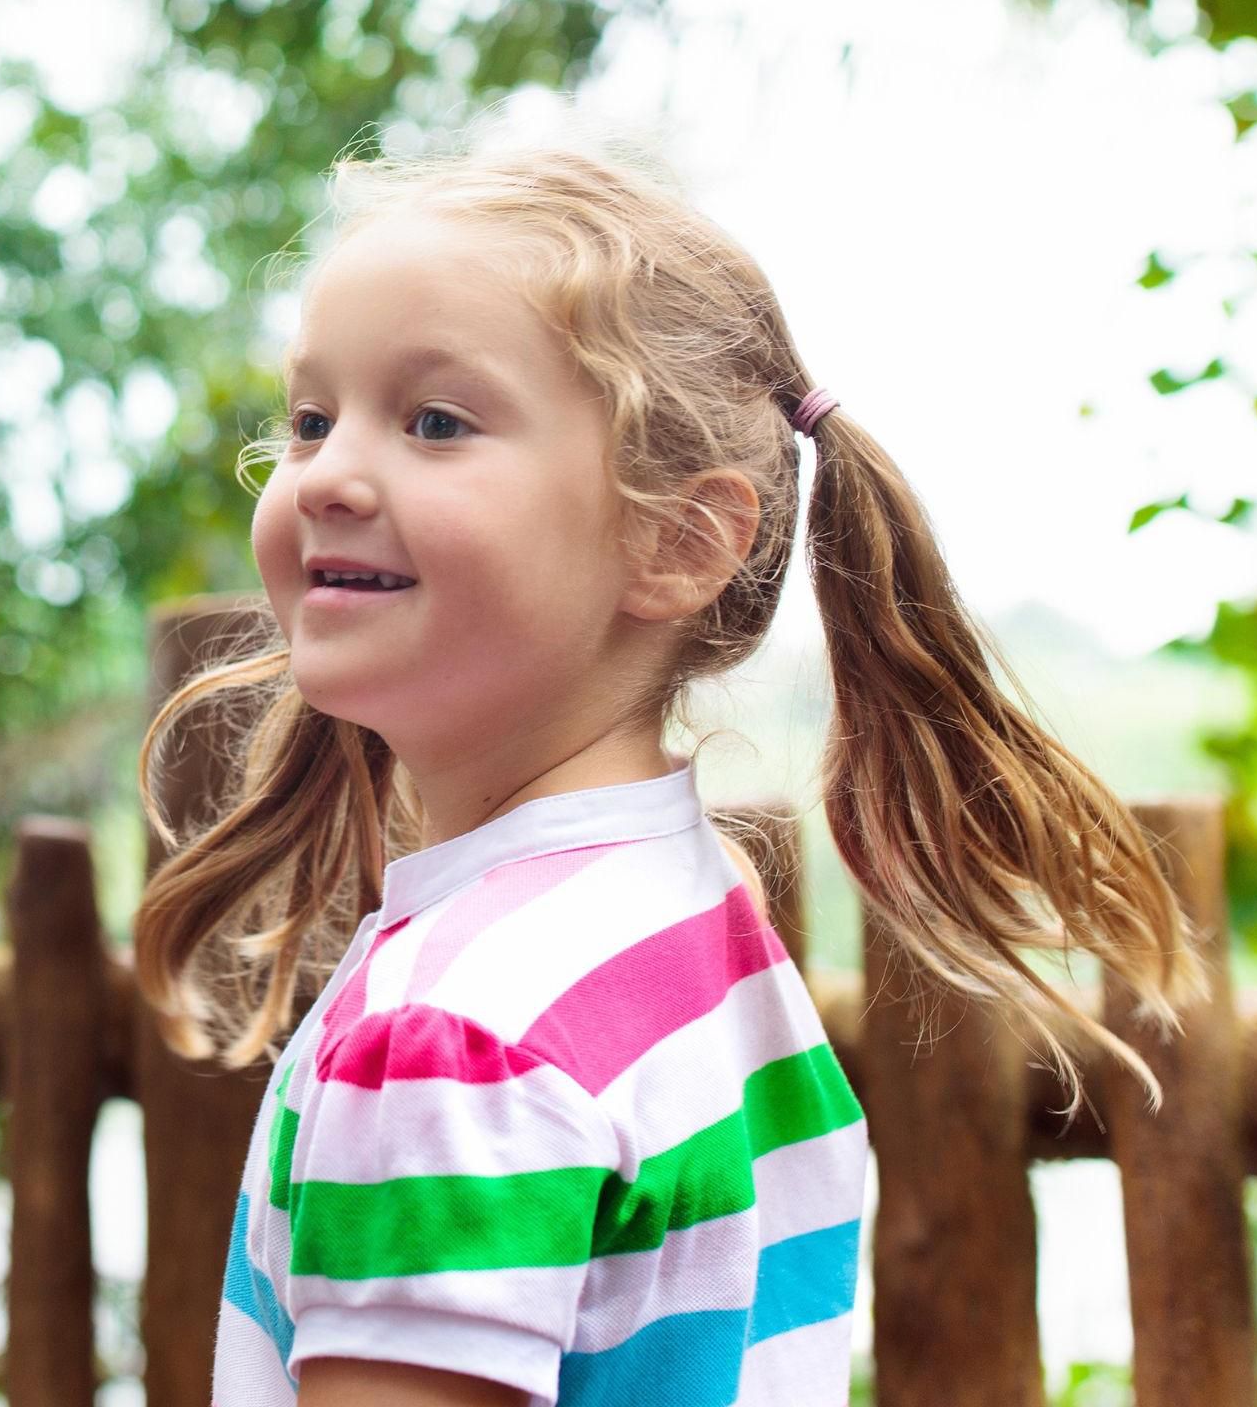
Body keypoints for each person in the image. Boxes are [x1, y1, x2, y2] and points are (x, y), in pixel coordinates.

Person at [135, 139, 1190, 1406]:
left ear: (680, 542)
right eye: (310, 419)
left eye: (435, 422)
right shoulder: (693, 927)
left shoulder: (452, 1042)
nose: (328, 475)